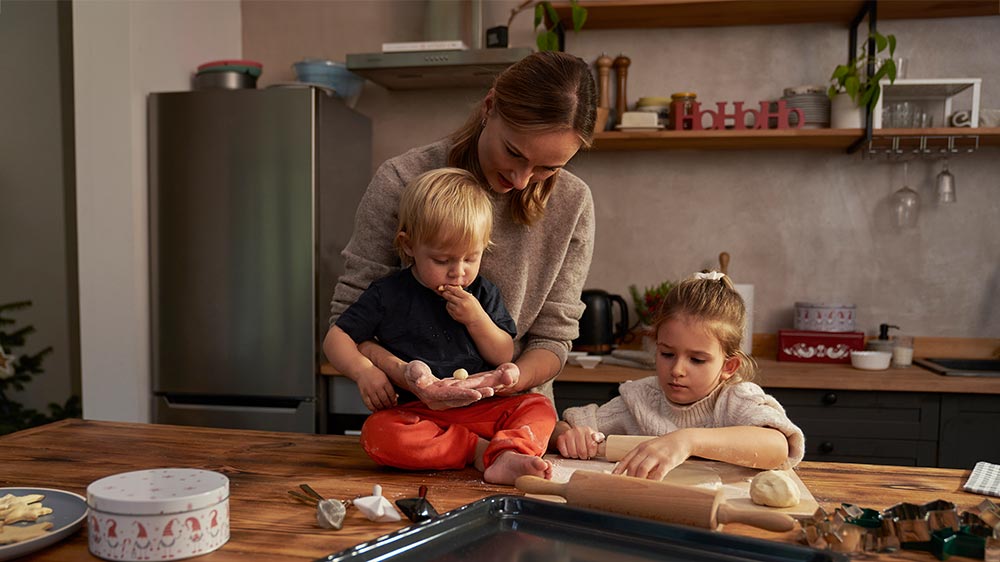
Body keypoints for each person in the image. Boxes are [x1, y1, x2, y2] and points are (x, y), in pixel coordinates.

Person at [324, 50, 598, 413]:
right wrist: (409, 376)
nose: (520, 181)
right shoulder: (402, 180)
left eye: (547, 168)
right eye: (513, 152)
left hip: (512, 414)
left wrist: (503, 379)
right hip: (415, 411)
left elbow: (552, 339)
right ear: (490, 107)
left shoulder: (574, 202)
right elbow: (349, 322)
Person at [326, 168, 556, 484]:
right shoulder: (387, 294)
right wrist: (364, 371)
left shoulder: (483, 293)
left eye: (470, 258)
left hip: (483, 406)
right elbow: (336, 338)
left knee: (539, 408)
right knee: (378, 434)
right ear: (408, 246)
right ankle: (480, 452)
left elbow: (503, 352)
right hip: (421, 413)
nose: (458, 272)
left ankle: (508, 452)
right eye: (442, 260)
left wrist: (477, 319)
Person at [551, 272, 805, 481]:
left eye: (697, 360)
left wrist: (687, 441)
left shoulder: (735, 400)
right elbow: (560, 429)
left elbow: (777, 447)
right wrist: (569, 436)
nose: (677, 370)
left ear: (729, 366)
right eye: (667, 354)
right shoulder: (640, 400)